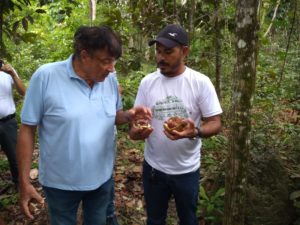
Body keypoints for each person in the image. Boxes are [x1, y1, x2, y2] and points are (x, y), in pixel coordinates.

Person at [16, 25, 151, 225]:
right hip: (60, 183)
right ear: (85, 55)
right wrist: (24, 181)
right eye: (106, 61)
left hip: (101, 179)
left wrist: (129, 116)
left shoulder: (110, 79)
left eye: (114, 61)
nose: (112, 68)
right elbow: (27, 130)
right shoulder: (46, 77)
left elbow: (111, 116)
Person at [129, 24, 222, 225]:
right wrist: (137, 131)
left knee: (188, 219)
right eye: (158, 51)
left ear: (185, 51)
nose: (161, 57)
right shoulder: (147, 82)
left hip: (187, 170)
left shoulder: (200, 82)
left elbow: (215, 122)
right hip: (154, 169)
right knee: (155, 220)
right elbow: (135, 126)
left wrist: (194, 131)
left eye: (168, 52)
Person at [0, 60, 26, 186]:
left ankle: (20, 186)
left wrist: (12, 74)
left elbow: (23, 92)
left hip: (7, 123)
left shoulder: (8, 70)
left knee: (14, 157)